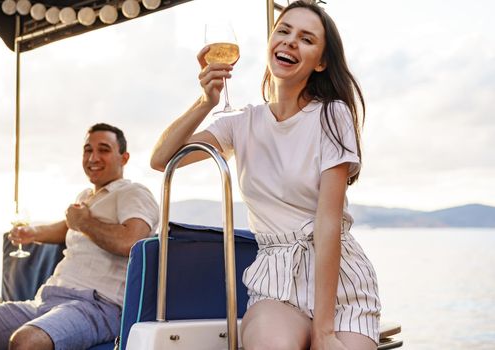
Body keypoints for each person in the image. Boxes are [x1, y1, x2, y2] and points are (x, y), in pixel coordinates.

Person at [150, 1, 380, 349]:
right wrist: (205, 101)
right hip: (274, 281)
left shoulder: (334, 115)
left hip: (340, 284)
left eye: (306, 38)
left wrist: (324, 331)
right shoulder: (240, 123)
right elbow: (162, 158)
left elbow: (328, 222)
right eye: (283, 31)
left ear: (321, 62)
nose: (289, 42)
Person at [0, 123, 159, 350]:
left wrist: (83, 221)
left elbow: (131, 241)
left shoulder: (133, 193)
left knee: (26, 341)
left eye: (103, 149)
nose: (93, 157)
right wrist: (32, 233)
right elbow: (68, 228)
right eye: (87, 150)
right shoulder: (85, 196)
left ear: (124, 158)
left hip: (97, 305)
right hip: (47, 299)